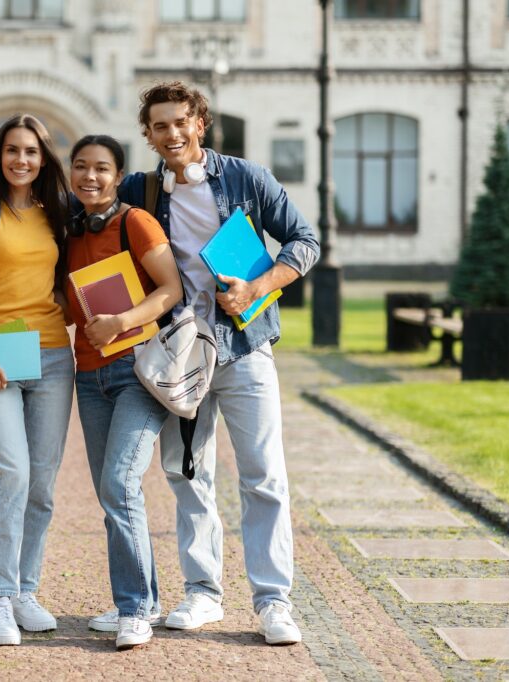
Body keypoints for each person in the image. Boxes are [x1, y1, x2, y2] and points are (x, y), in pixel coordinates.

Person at [119, 81, 320, 645]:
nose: (172, 134)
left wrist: (258, 285)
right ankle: (203, 592)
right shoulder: (141, 191)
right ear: (149, 134)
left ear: (199, 123)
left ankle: (274, 601)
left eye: (181, 122)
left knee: (263, 477)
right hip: (179, 353)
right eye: (160, 126)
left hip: (246, 345)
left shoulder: (246, 178)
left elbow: (305, 241)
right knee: (187, 476)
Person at [0, 114, 74, 646]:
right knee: (13, 473)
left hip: (52, 358)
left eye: (30, 151)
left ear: (43, 158)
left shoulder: (57, 216)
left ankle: (26, 589)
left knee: (43, 485)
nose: (21, 160)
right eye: (11, 150)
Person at [64, 136, 183, 650]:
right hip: (88, 378)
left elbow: (171, 288)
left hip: (138, 372)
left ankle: (134, 609)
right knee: (114, 492)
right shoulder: (67, 231)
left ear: (118, 176)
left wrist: (122, 321)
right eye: (81, 167)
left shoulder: (136, 221)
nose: (90, 177)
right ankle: (145, 600)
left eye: (102, 169)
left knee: (118, 483)